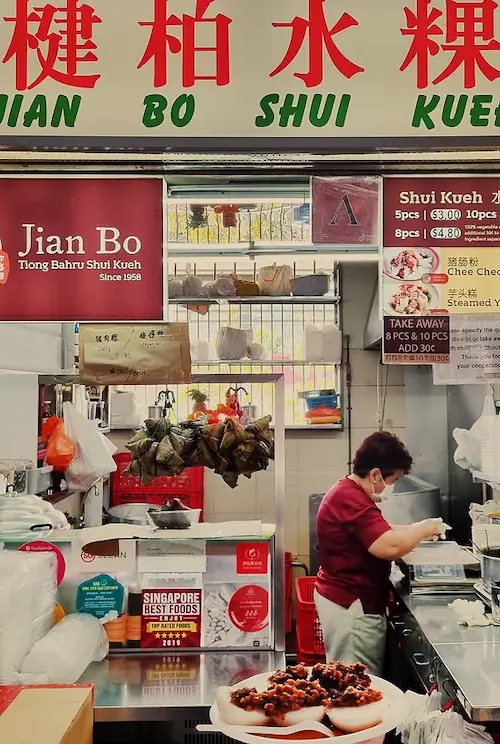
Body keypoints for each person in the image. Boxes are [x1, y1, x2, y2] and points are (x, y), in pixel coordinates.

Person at [315, 431, 444, 676]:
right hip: (351, 606)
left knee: (349, 681)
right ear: (375, 474)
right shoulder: (350, 498)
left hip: (346, 599)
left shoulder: (349, 490)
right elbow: (389, 546)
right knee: (356, 686)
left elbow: (379, 531)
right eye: (392, 480)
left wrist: (417, 530)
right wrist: (423, 528)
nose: (391, 488)